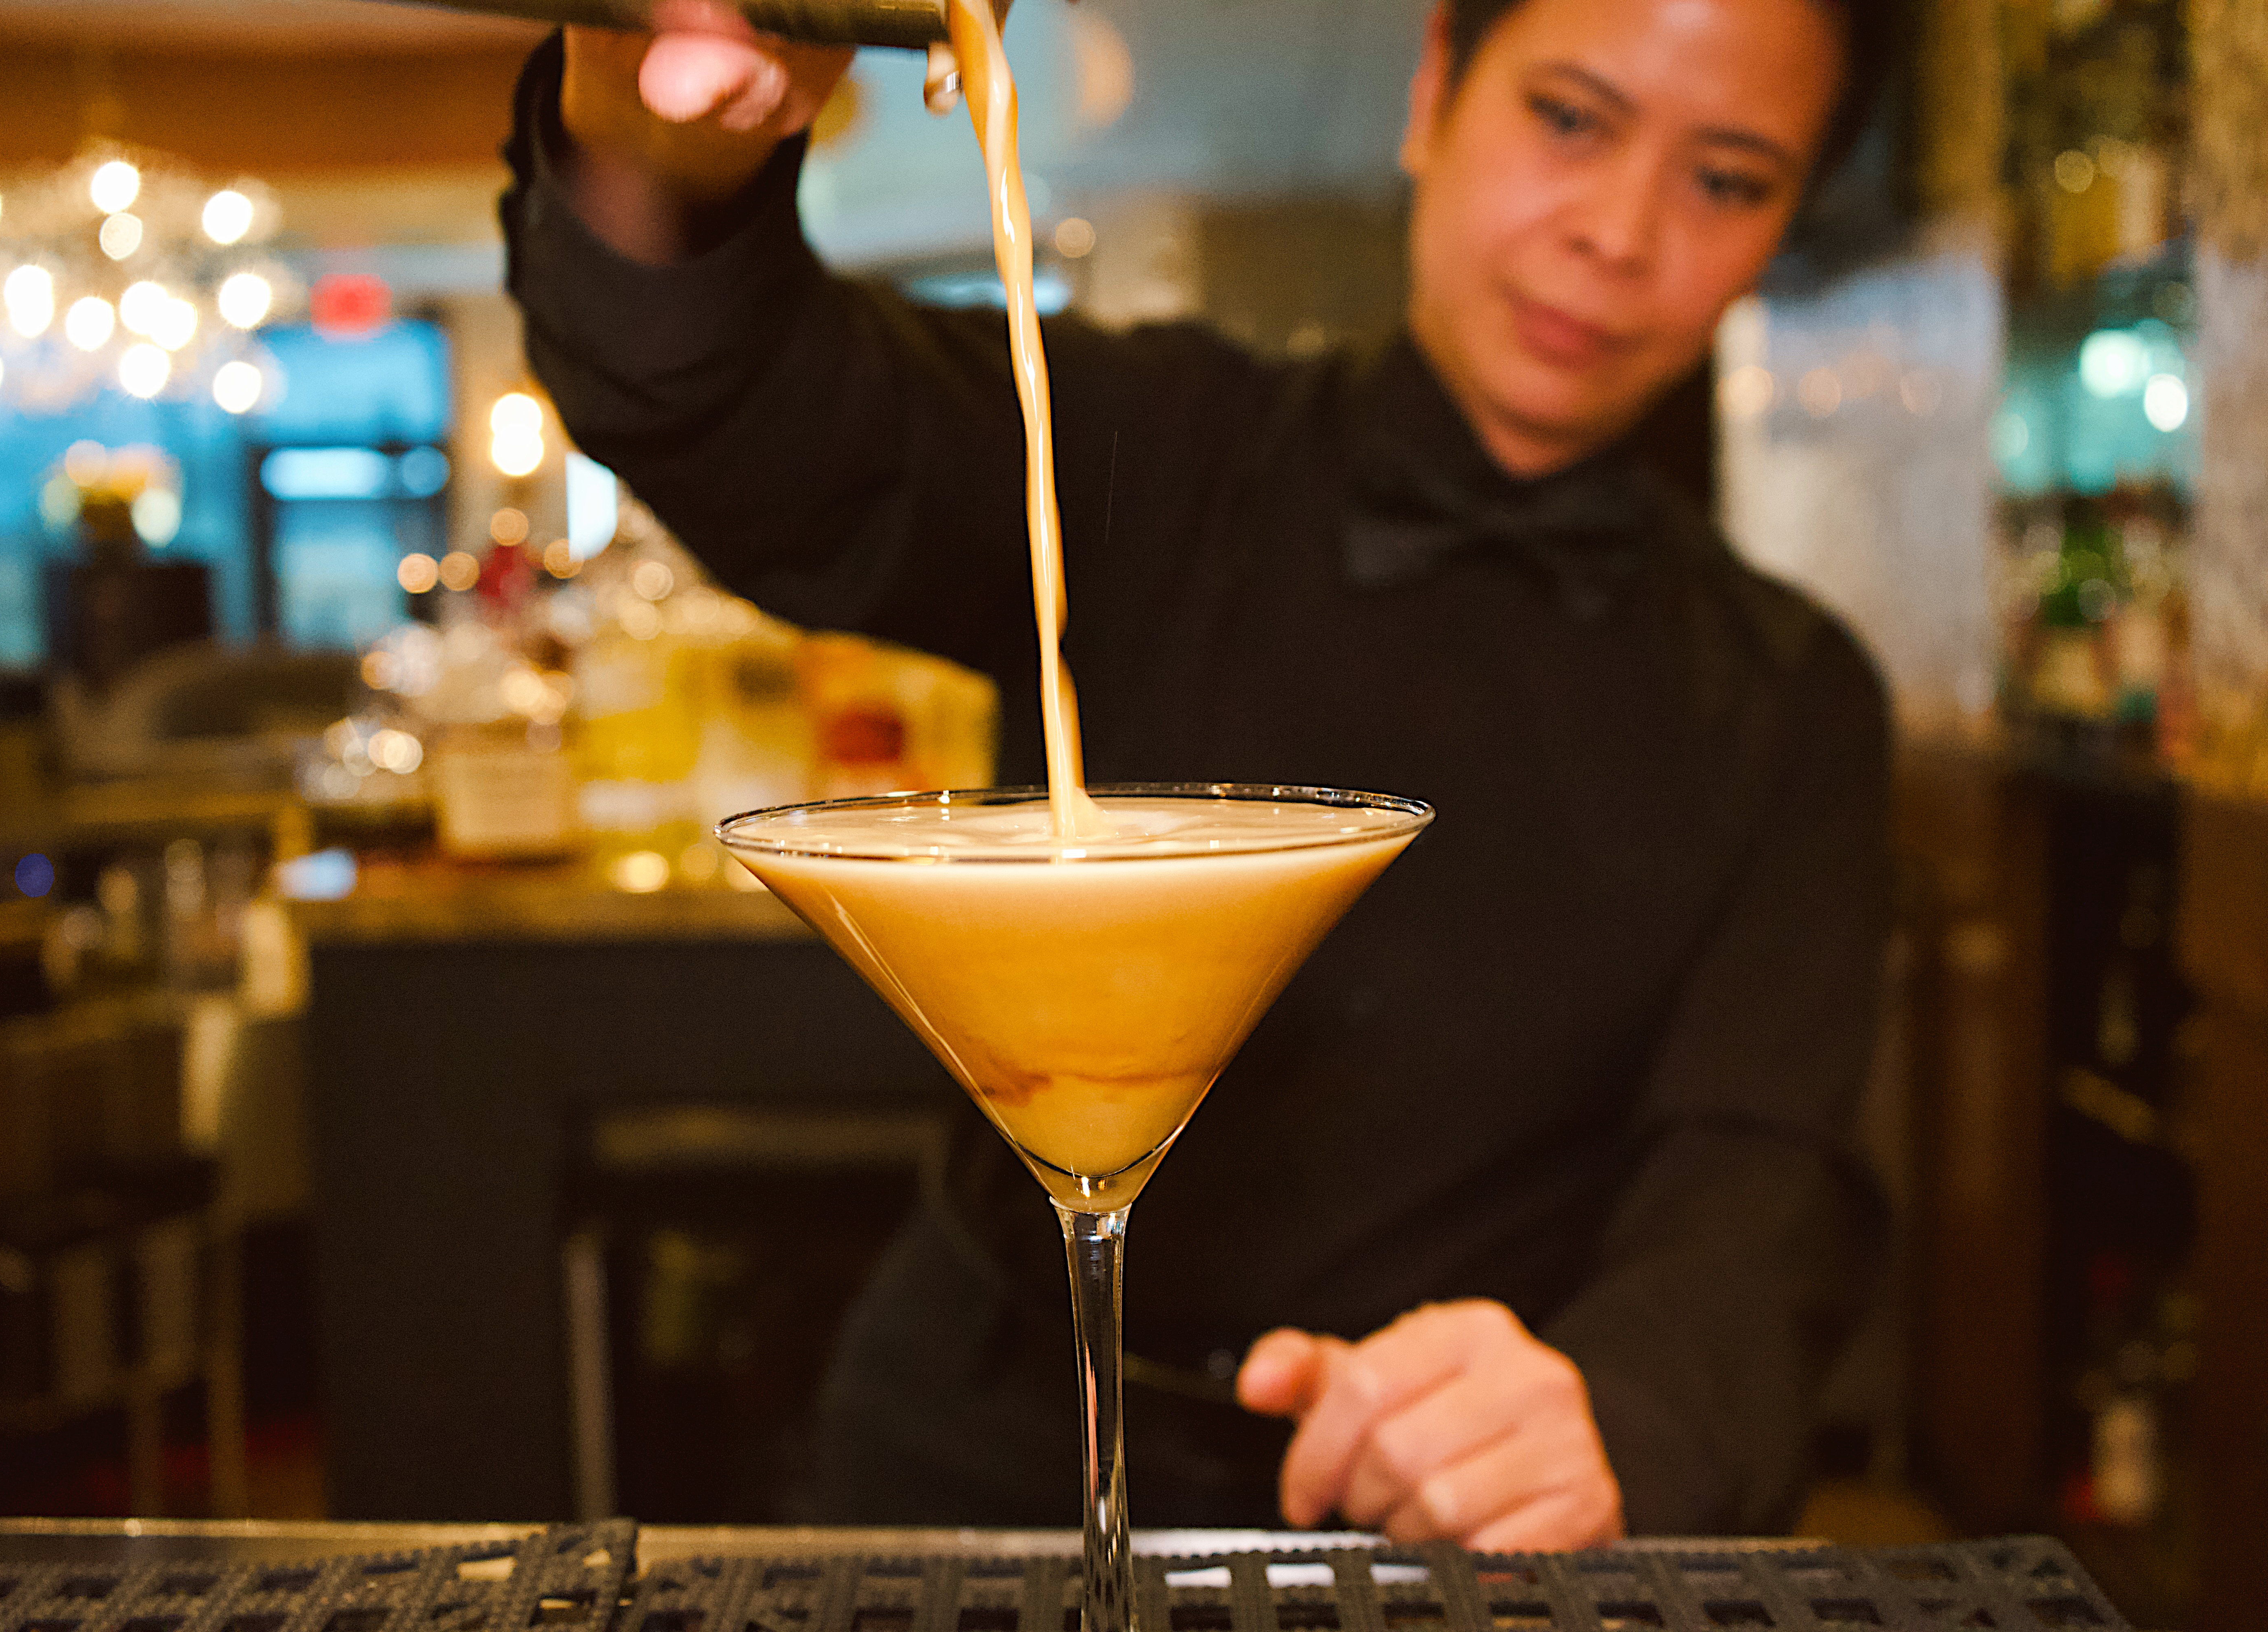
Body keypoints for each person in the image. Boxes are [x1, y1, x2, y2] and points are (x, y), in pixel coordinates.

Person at [502, 0, 1899, 1547]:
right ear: (1434, 90)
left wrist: (1623, 1408)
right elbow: (748, 405)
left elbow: (1762, 1166)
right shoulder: (1147, 446)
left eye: (1728, 179)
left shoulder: (1795, 697)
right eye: (1570, 118)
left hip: (1429, 1509)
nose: (1619, 233)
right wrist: (653, 143)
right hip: (982, 1449)